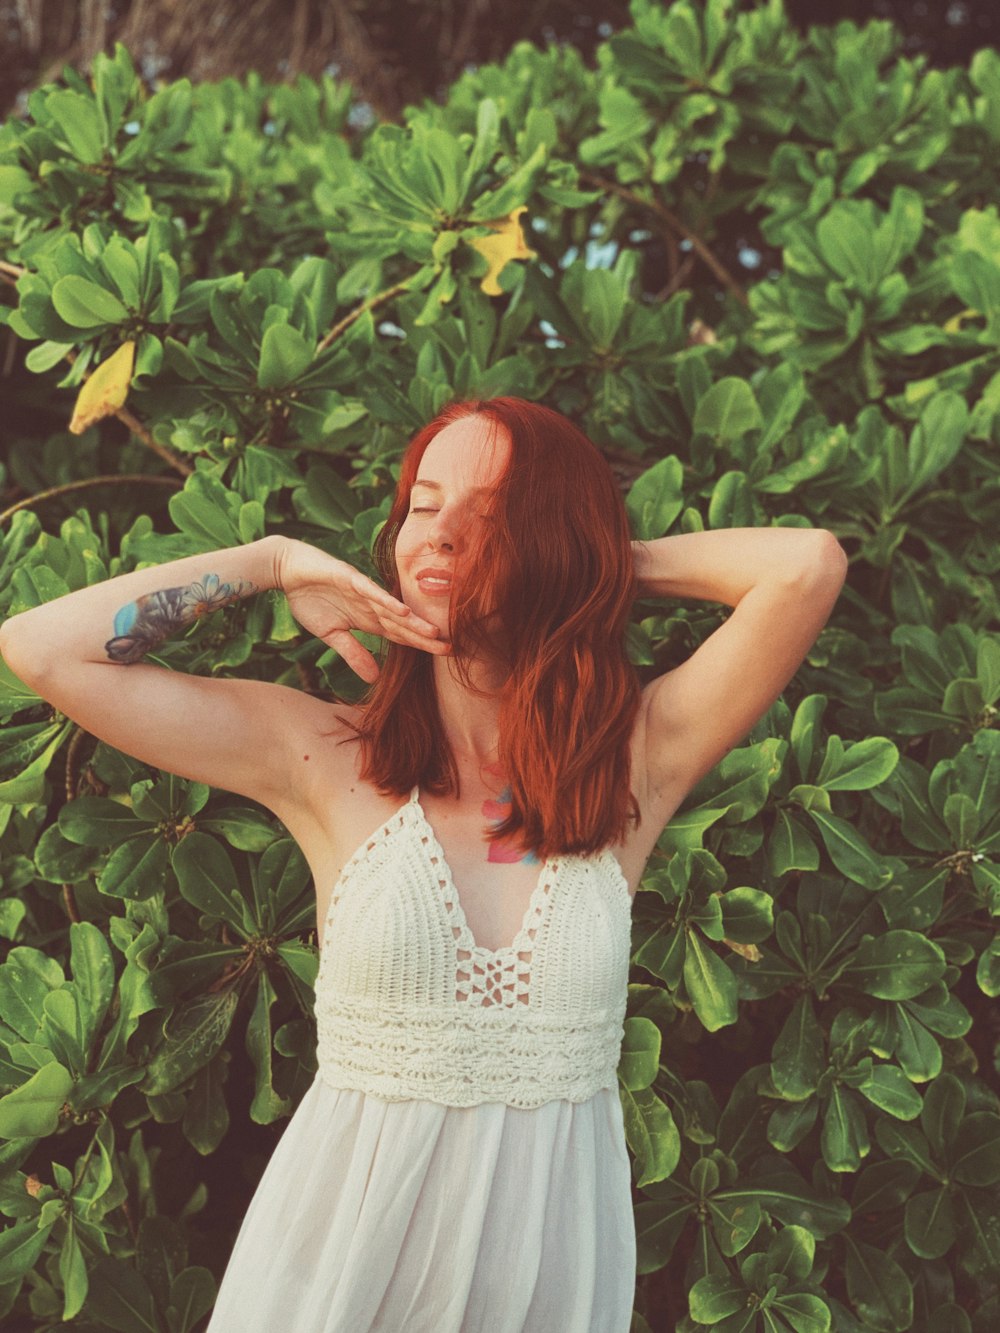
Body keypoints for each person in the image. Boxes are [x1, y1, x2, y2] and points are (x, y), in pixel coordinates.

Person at [0, 395, 847, 1331]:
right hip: (333, 1279)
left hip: (543, 1287)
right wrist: (273, 562)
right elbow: (42, 648)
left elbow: (805, 567)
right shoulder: (319, 754)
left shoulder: (635, 761)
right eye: (424, 505)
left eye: (490, 513)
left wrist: (589, 562)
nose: (439, 535)